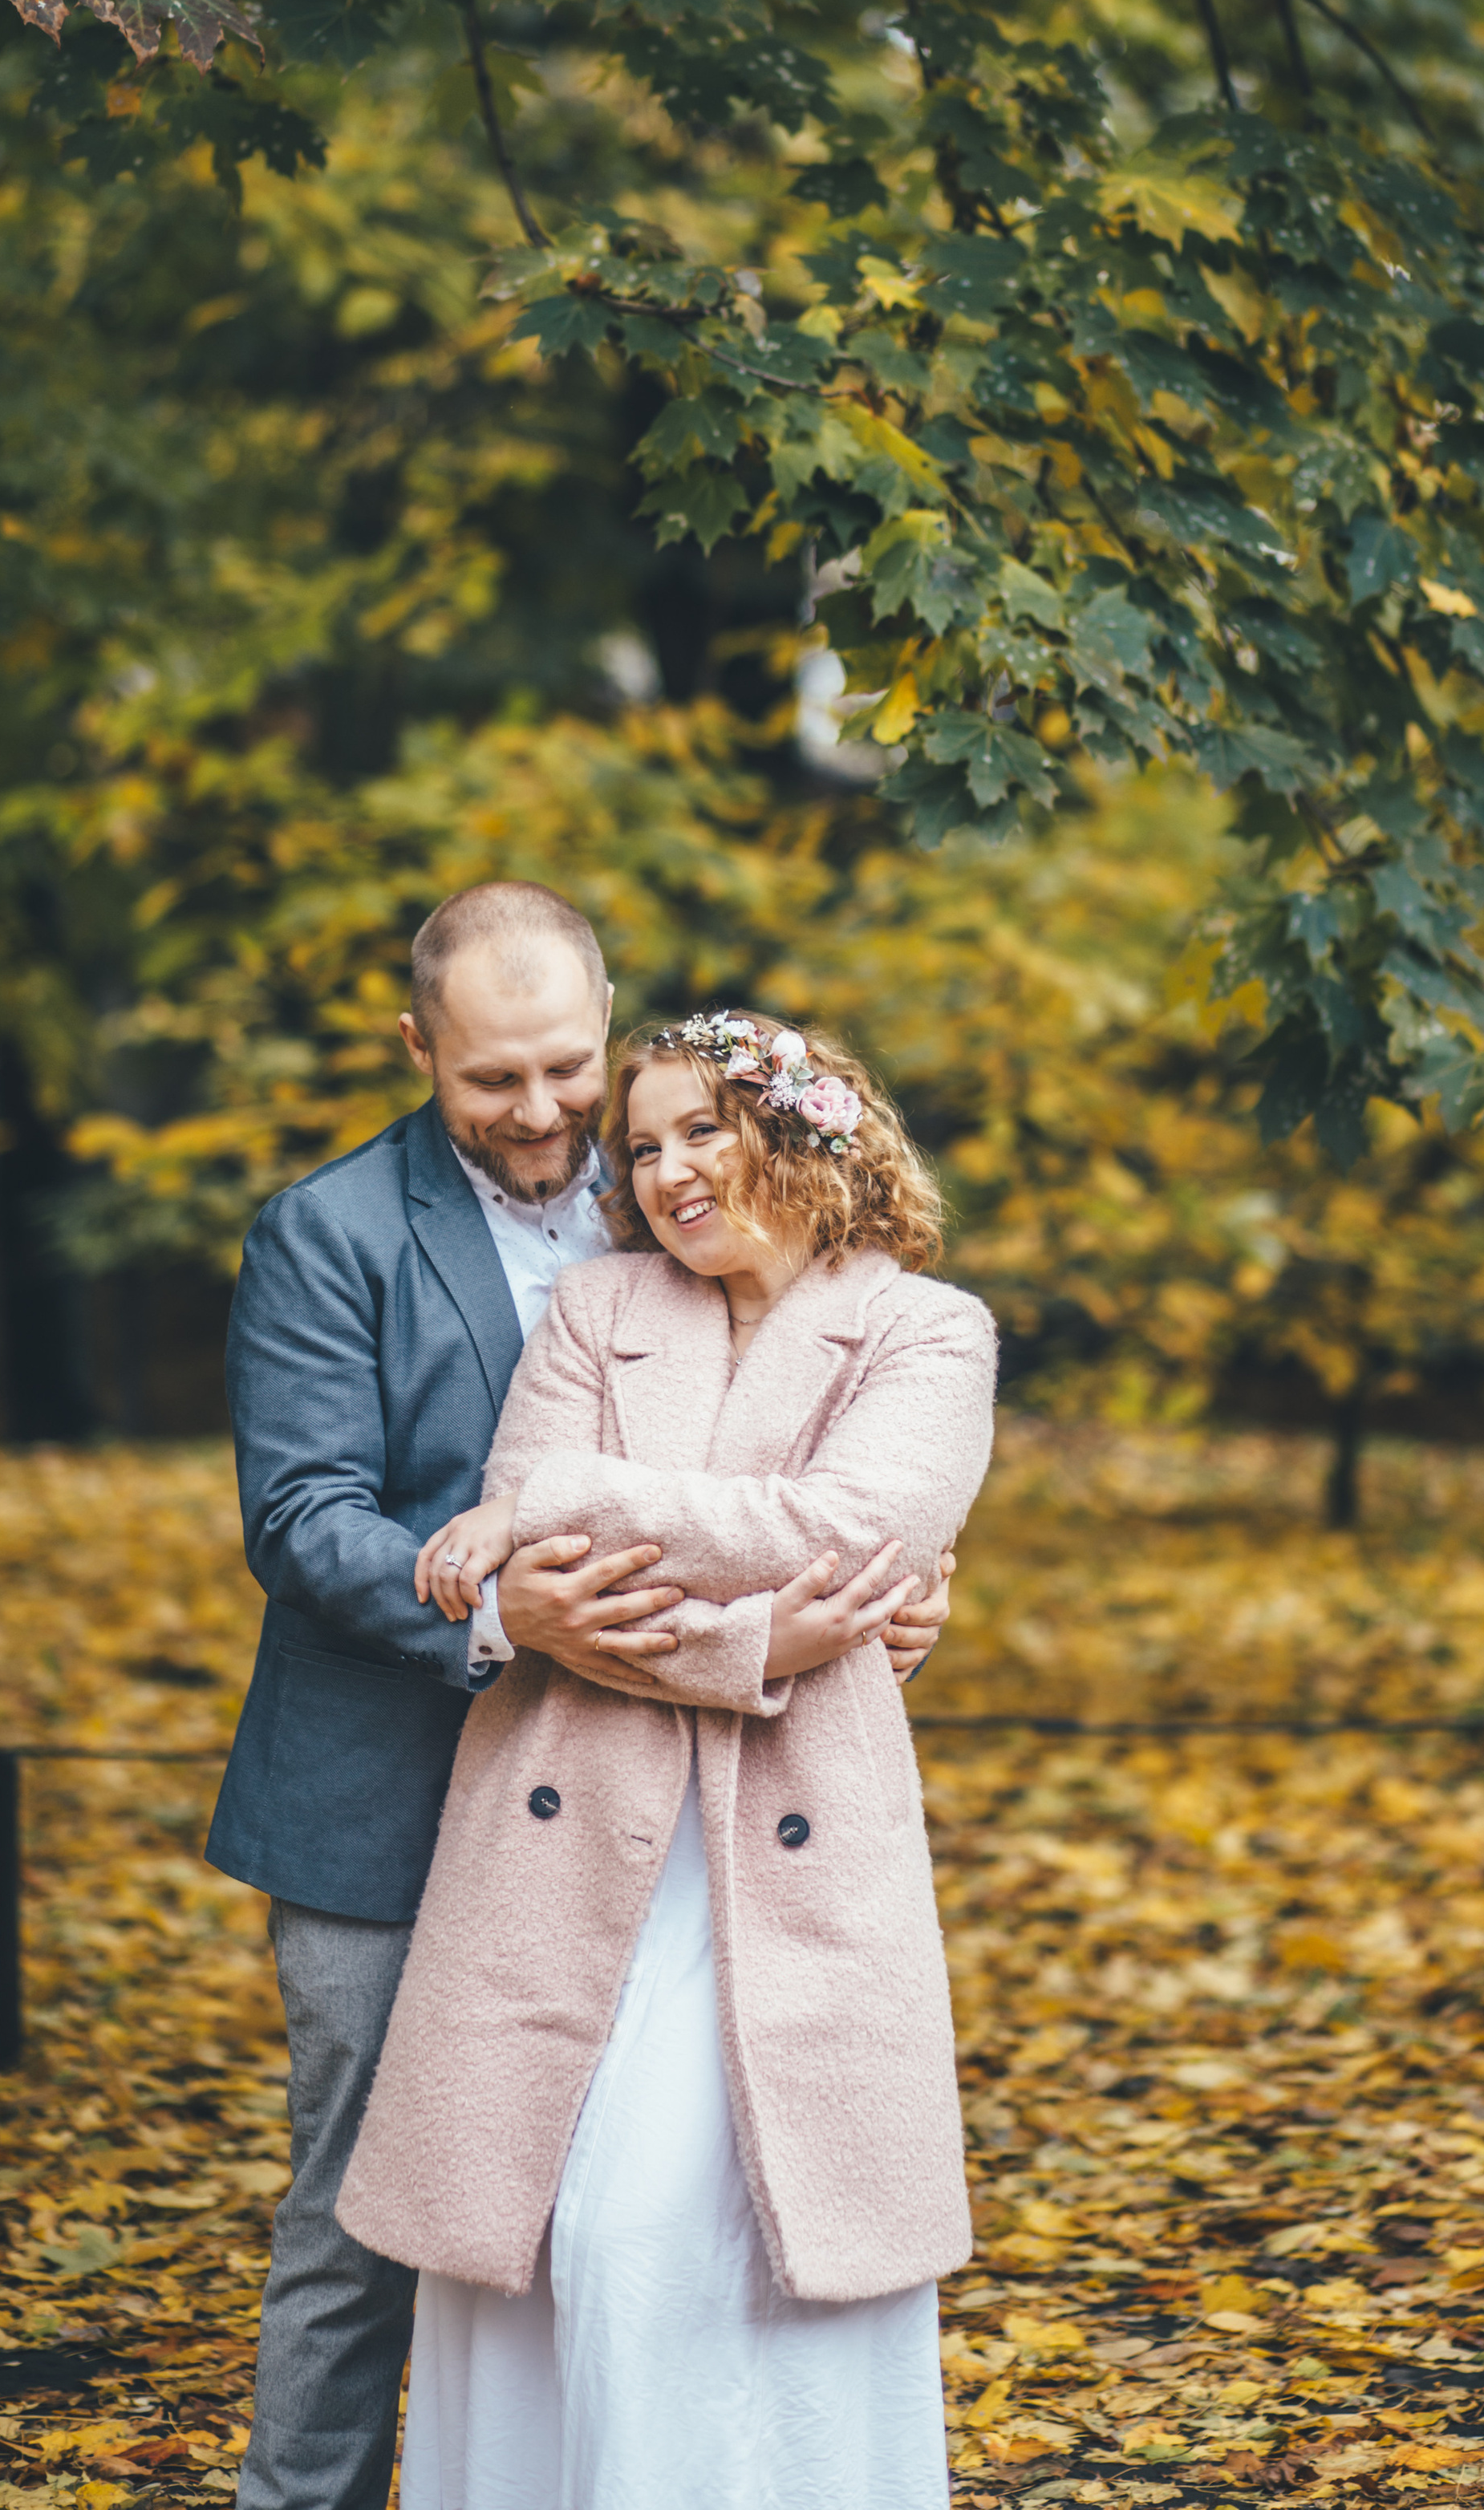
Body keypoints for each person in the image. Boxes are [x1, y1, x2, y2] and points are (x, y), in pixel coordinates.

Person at [208, 895, 953, 2510]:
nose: (541, 1114)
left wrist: (897, 1585)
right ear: (421, 1052)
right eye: (493, 1082)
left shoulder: (678, 1182)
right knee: (367, 2222)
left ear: (609, 1025)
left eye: (566, 1068)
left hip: (644, 1787)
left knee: (613, 2215)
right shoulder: (327, 1232)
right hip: (383, 1779)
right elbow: (303, 1517)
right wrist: (497, 1610)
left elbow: (811, 1447)